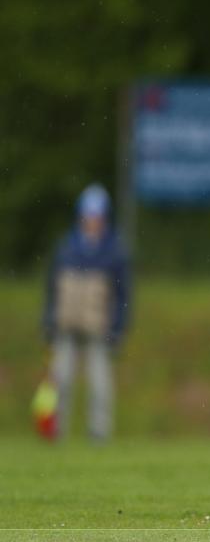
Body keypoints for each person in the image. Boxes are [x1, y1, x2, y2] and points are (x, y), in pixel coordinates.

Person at [43, 184, 131, 442]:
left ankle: (99, 433)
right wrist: (48, 320)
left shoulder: (115, 250)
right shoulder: (66, 246)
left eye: (97, 216)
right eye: (88, 215)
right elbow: (51, 288)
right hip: (66, 323)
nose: (92, 221)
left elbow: (124, 295)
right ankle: (56, 432)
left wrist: (118, 326)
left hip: (99, 326)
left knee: (99, 383)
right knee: (62, 379)